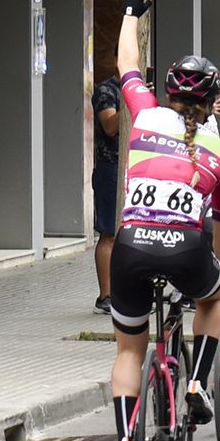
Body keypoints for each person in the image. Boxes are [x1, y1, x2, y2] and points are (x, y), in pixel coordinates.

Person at [105, 0, 220, 441]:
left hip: (131, 247)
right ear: (211, 104)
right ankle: (199, 381)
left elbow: (126, 66)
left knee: (128, 351)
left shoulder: (144, 115)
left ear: (170, 92)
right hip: (186, 250)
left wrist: (132, 9)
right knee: (211, 302)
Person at [91, 70, 123, 315]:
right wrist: (134, 103)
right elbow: (110, 126)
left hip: (133, 166)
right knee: (109, 233)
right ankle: (106, 296)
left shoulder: (140, 91)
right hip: (110, 167)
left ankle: (125, 292)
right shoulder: (107, 90)